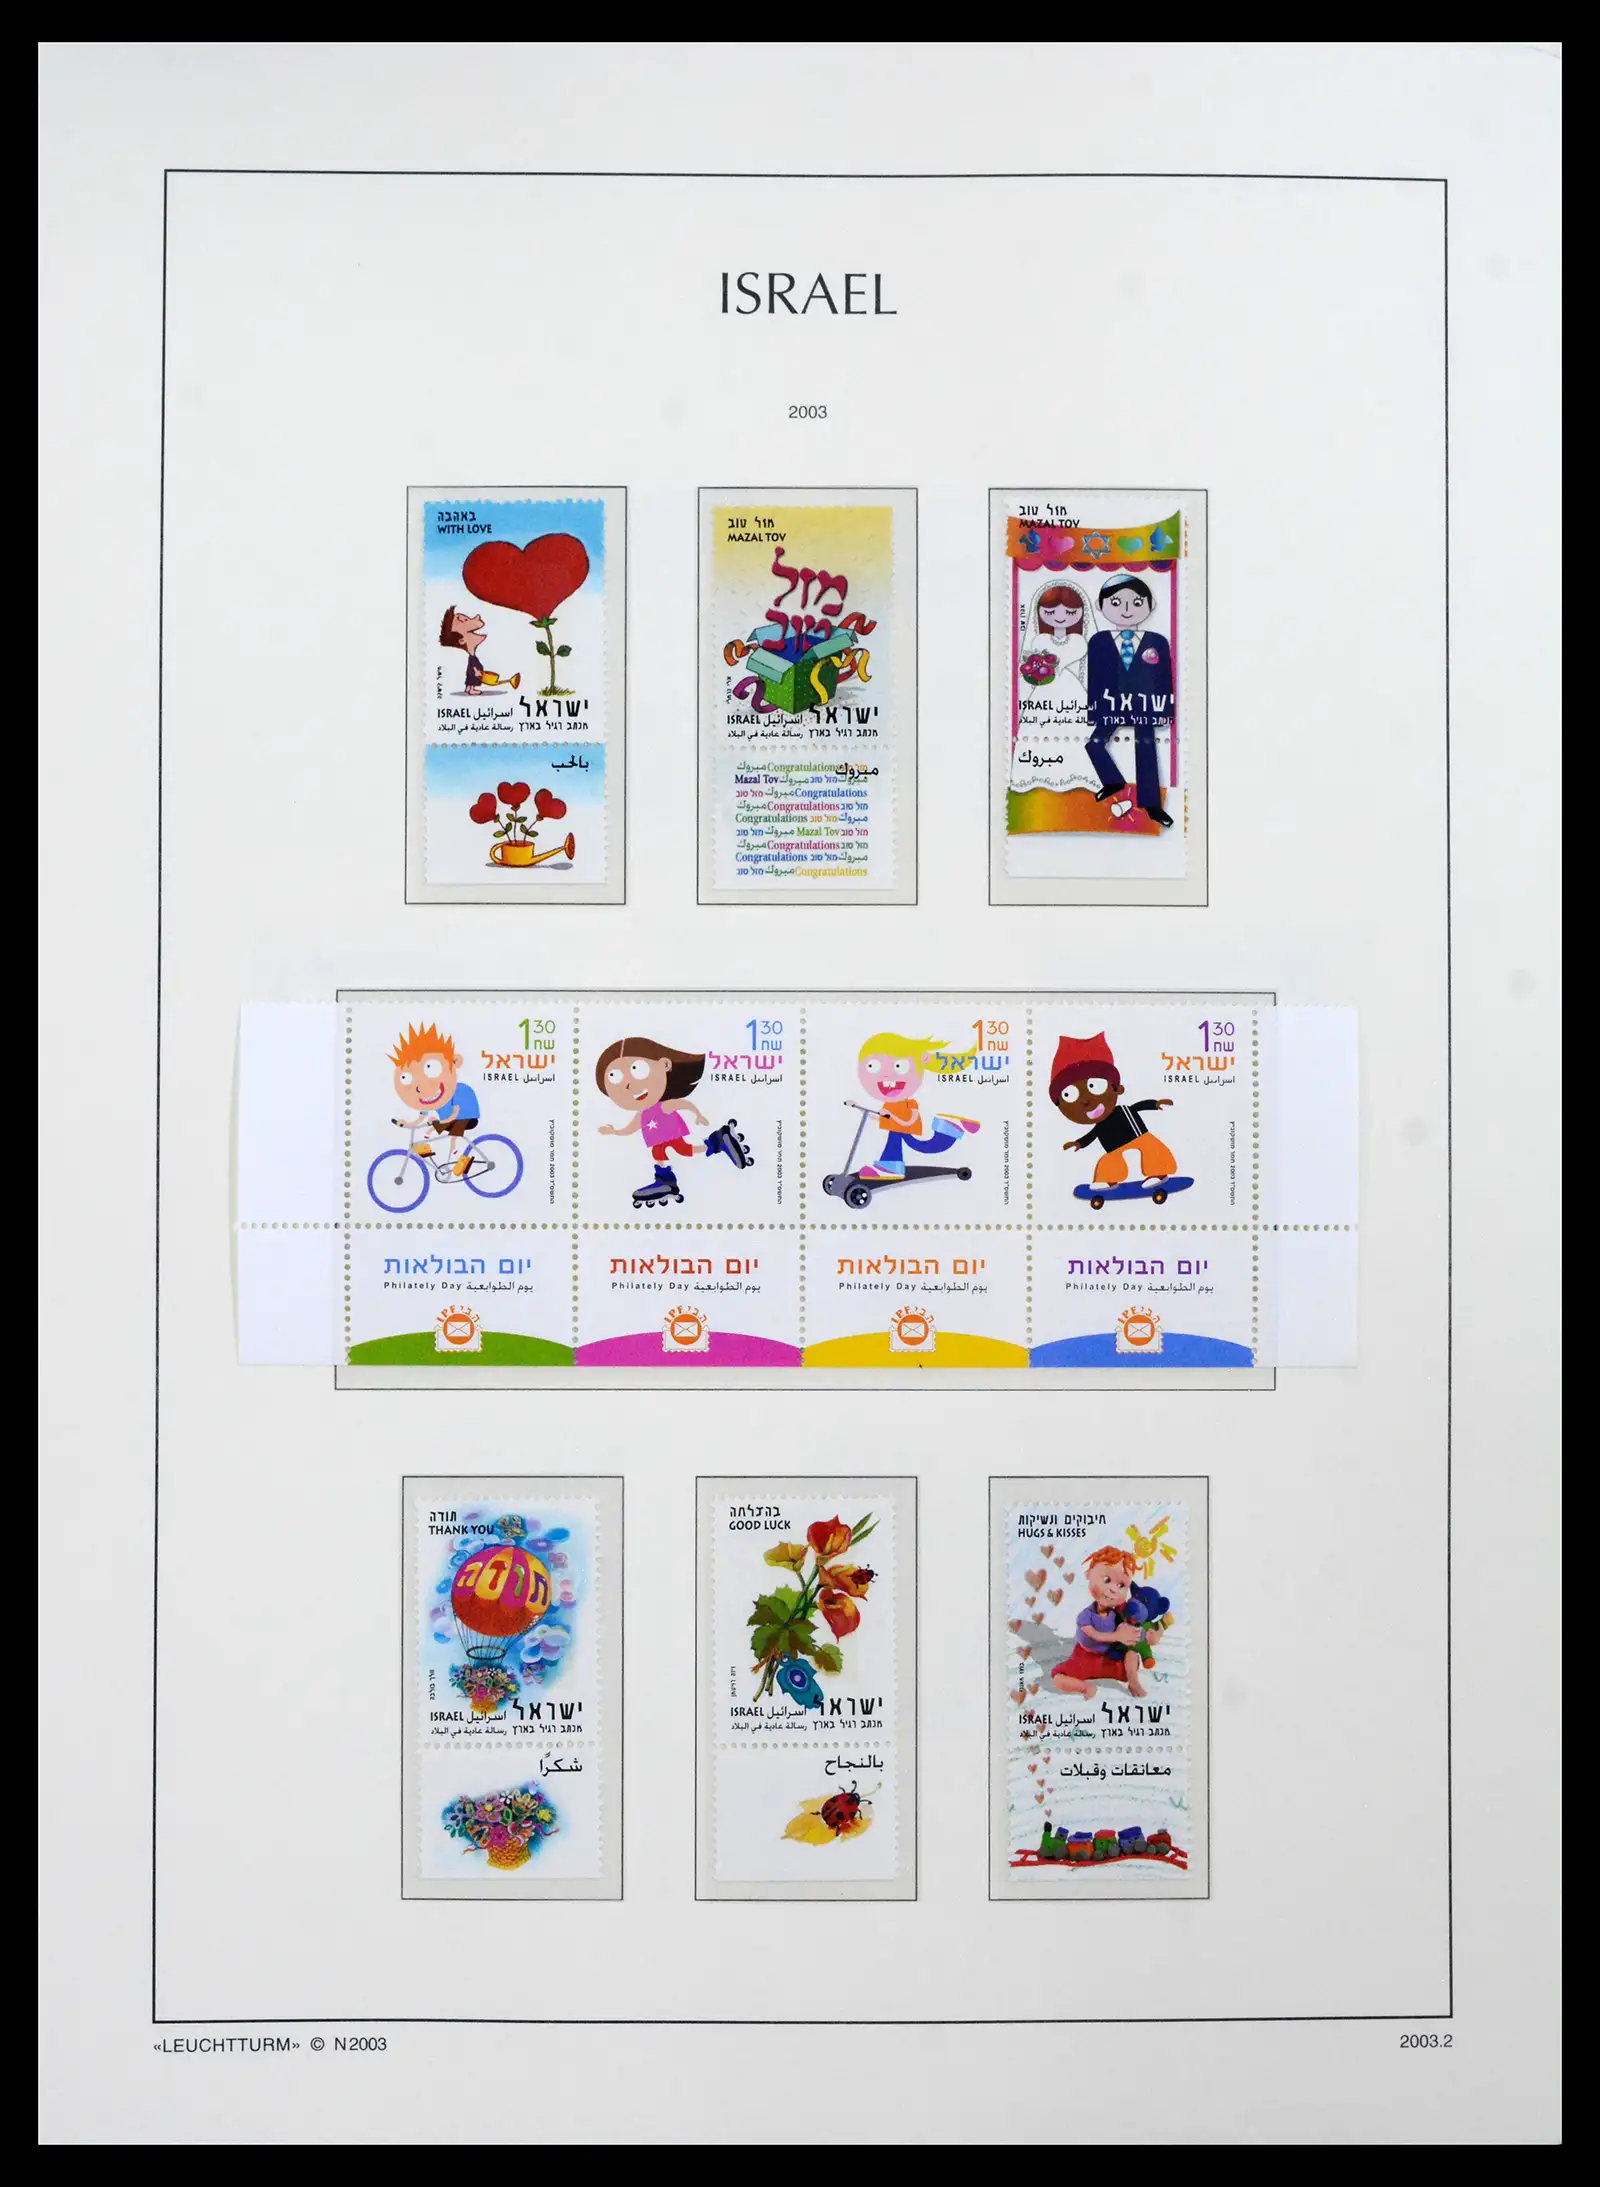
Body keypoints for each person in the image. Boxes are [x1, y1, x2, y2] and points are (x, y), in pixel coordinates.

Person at [594, 1037, 751, 1204]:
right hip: (658, 1141)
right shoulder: (642, 1114)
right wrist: (615, 1131)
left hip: (671, 1135)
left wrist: (697, 1115)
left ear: (664, 1064)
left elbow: (683, 1104)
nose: (627, 1084)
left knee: (684, 1150)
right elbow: (631, 1127)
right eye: (614, 1078)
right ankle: (665, 1180)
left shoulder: (662, 1106)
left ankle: (718, 1142)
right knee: (658, 1153)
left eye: (636, 1069)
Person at [1083, 575, 1174, 828]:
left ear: (1150, 605)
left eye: (1136, 602)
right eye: (1116, 603)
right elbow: (1094, 677)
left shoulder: (1157, 641)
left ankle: (1152, 806)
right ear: (1100, 606)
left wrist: (1165, 709)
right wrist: (1094, 708)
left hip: (1145, 703)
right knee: (1094, 744)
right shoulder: (1099, 641)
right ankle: (1112, 781)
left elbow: (1163, 676)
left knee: (1146, 749)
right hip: (1111, 703)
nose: (1126, 610)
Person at [1049, 1033, 1177, 1190]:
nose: (1086, 1101)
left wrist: (1155, 1104)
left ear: (1118, 1089)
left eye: (1094, 1086)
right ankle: (1108, 1179)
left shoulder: (1123, 1110)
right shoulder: (1100, 1125)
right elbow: (1091, 1135)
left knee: (1151, 1148)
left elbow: (1138, 1106)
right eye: (1069, 1095)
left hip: (1138, 1136)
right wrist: (1079, 1143)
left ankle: (1158, 1172)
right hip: (1113, 1147)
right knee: (1108, 1161)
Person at [855, 1033, 980, 1182]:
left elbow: (908, 1122)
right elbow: (881, 1117)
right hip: (900, 1130)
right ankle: (890, 1166)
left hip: (907, 1132)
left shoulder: (910, 1104)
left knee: (915, 1143)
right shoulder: (890, 1104)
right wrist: (860, 1109)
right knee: (894, 1136)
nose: (887, 1076)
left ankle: (891, 1166)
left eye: (899, 1066)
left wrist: (891, 1116)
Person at [1048, 1545, 1156, 1700]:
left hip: (1111, 1659)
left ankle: (1133, 1681)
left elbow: (1137, 1624)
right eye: (1107, 1580)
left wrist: (1149, 1635)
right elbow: (1094, 1635)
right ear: (1088, 1574)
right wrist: (1117, 1636)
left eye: (1121, 1585)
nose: (1113, 1589)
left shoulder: (1121, 1610)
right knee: (1058, 1677)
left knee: (1132, 1655)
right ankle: (1084, 1688)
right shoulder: (1086, 1615)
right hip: (1085, 1658)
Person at [390, 1022, 481, 1180]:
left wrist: (439, 1123)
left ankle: (461, 1163)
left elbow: (455, 1114)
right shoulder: (428, 1098)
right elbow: (421, 1118)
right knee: (433, 1129)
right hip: (452, 1119)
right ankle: (446, 1163)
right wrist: (406, 1124)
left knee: (453, 1135)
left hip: (467, 1117)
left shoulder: (457, 1090)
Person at [439, 606, 521, 694]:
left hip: (475, 672)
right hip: (476, 674)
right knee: (472, 678)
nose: (477, 616)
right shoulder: (472, 658)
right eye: (466, 620)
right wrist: (477, 672)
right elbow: (472, 667)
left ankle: (468, 688)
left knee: (470, 678)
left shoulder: (472, 657)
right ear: (462, 640)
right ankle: (471, 689)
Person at [1028, 580, 1090, 687]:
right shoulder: (1040, 640)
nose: (1060, 618)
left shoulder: (1079, 641)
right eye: (1050, 612)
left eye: (1070, 612)